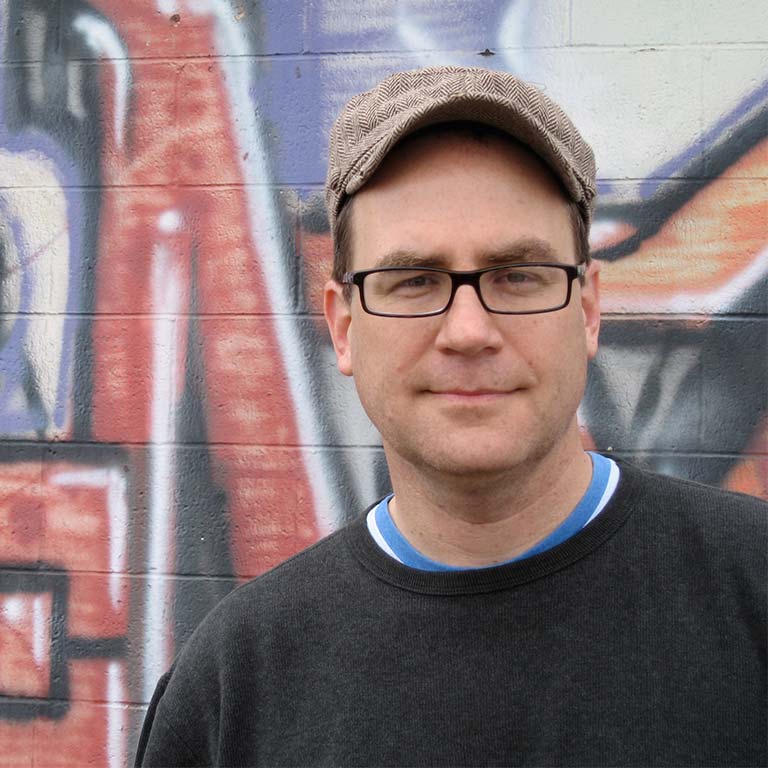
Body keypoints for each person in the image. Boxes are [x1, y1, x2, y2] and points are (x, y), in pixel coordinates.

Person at [136, 66, 767, 767]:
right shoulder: (234, 684)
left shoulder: (753, 586)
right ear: (343, 326)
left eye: (517, 276)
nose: (468, 331)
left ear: (587, 310)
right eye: (413, 281)